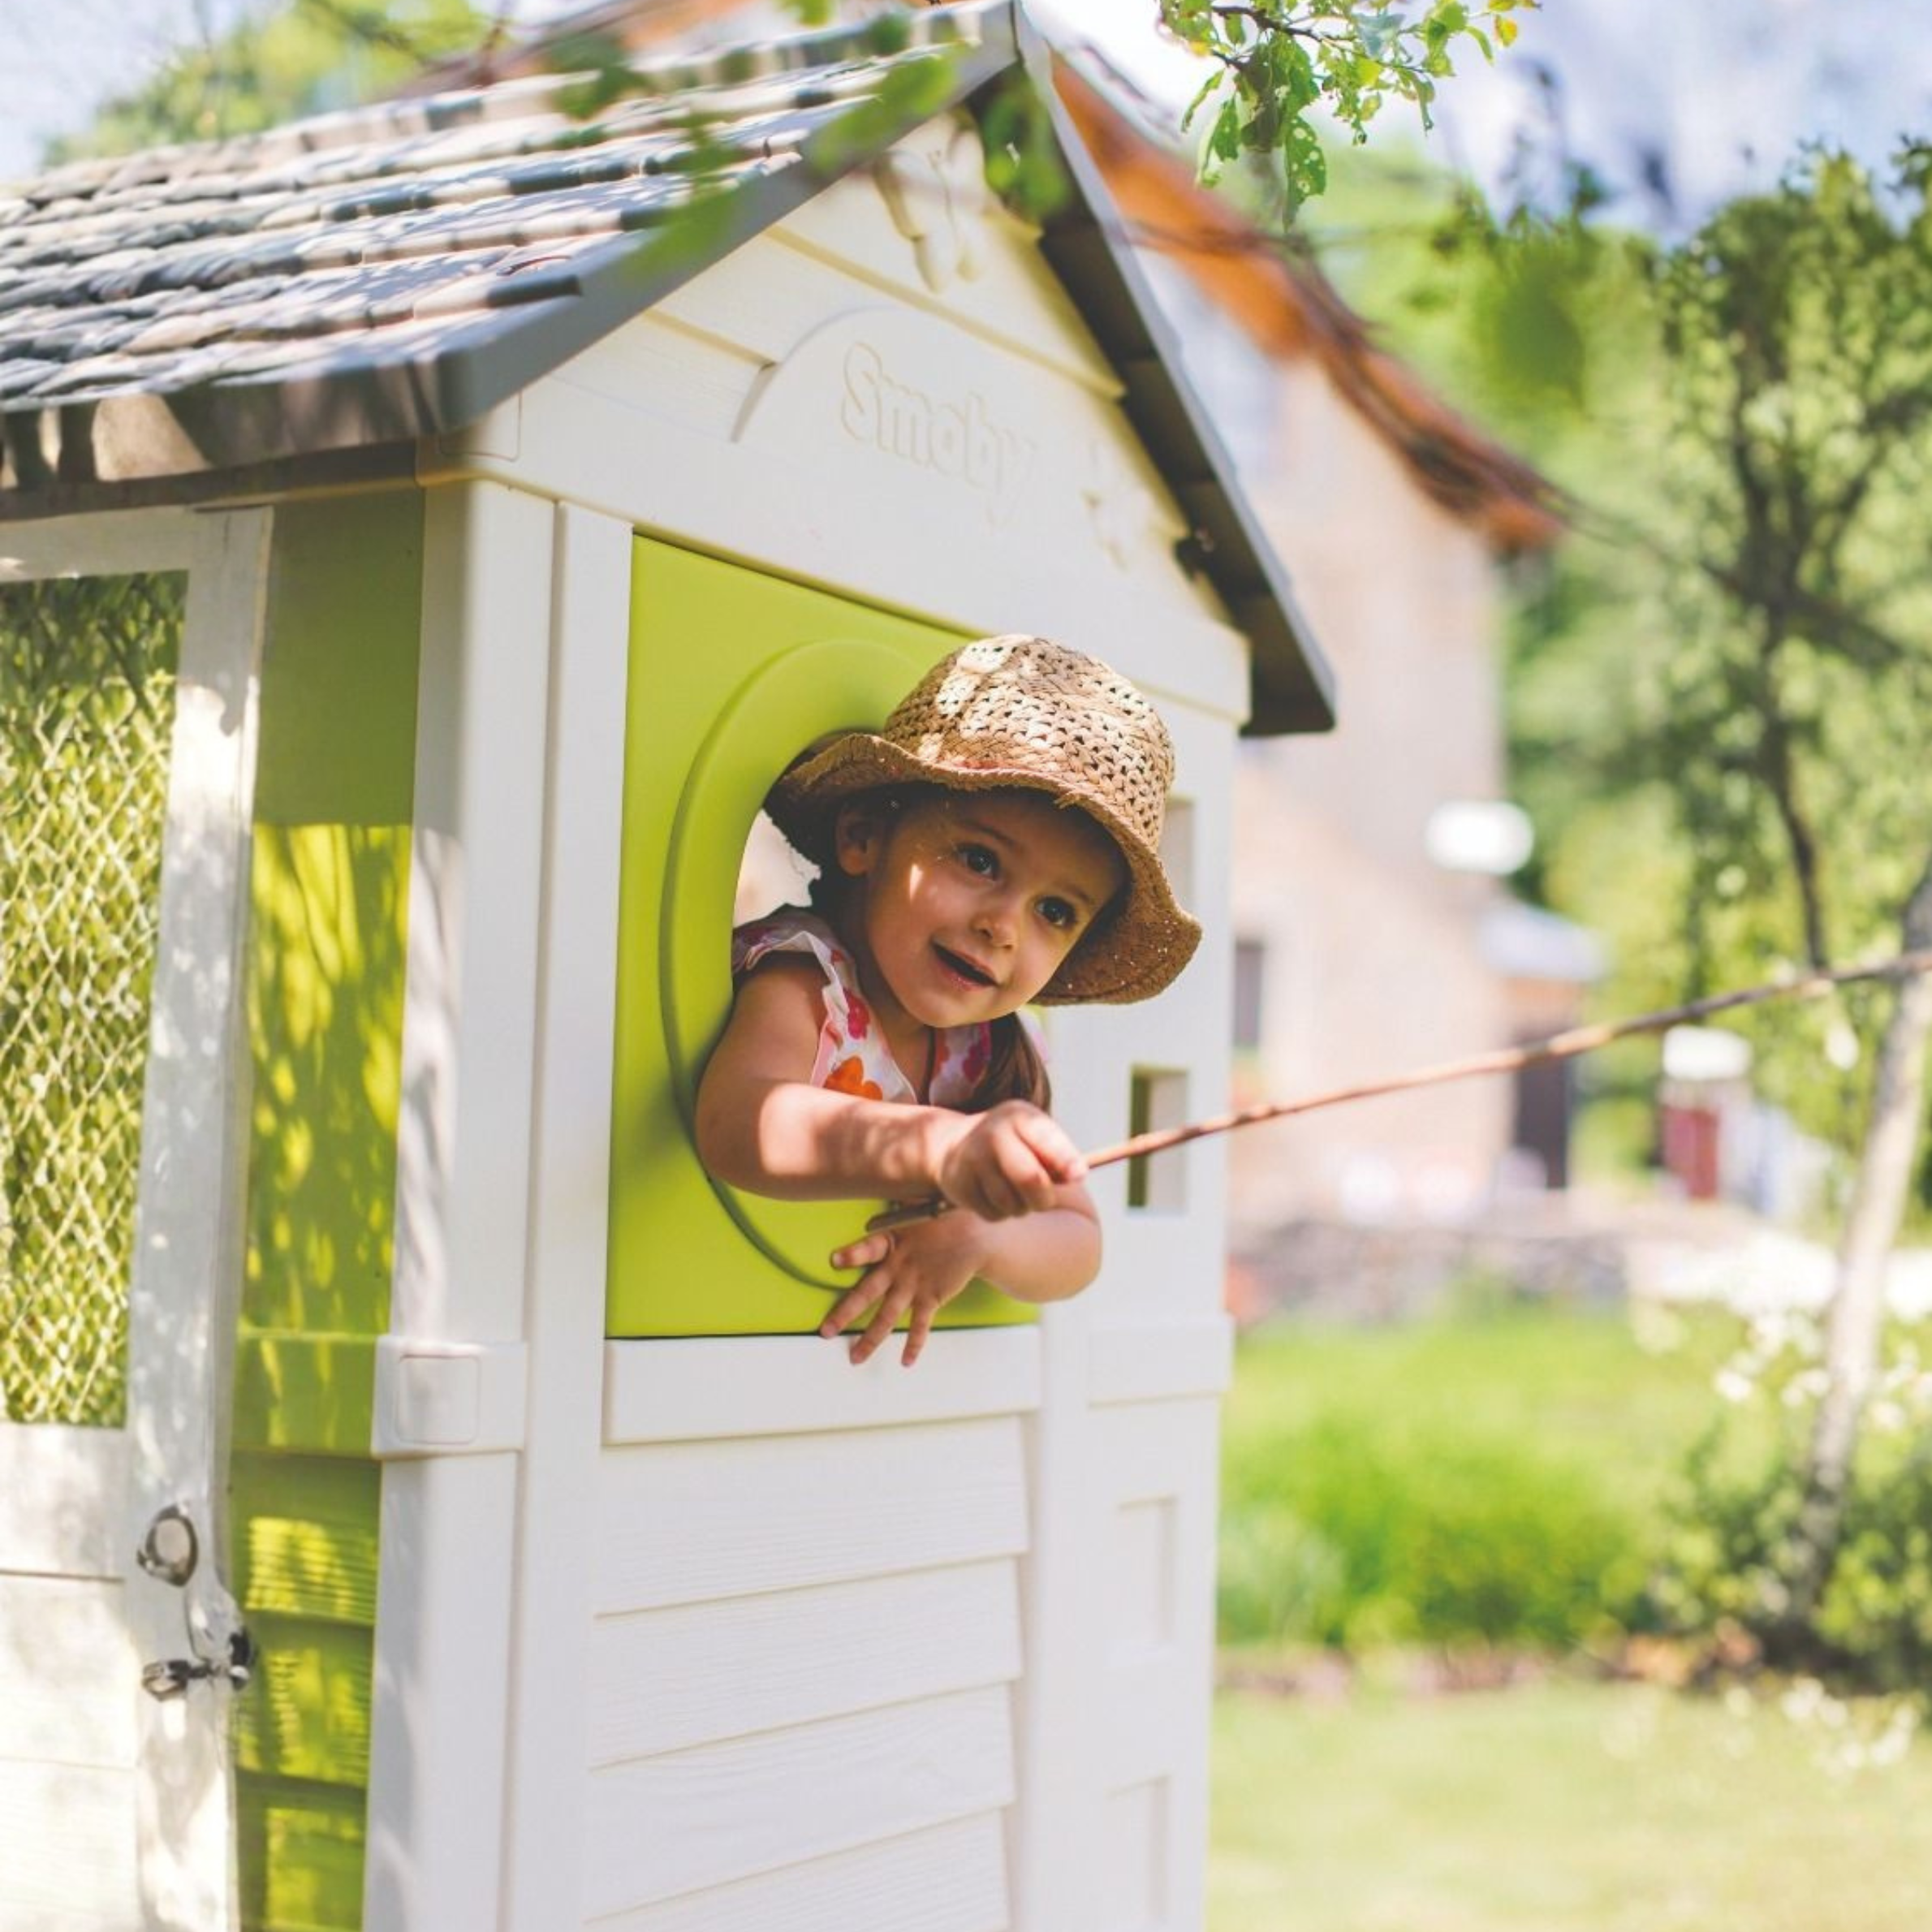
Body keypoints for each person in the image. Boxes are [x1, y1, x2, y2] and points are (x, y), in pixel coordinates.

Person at [695, 635, 1200, 1366]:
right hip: (728, 1355)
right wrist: (943, 1148)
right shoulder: (806, 980)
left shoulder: (992, 1053)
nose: (1003, 926)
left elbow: (1079, 1243)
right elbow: (738, 1122)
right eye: (979, 860)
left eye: (1055, 912)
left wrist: (981, 1237)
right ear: (864, 836)